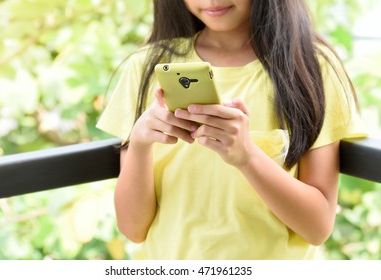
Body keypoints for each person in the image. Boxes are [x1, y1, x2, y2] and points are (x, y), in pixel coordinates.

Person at [97, 0, 367, 259]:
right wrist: (141, 144)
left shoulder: (312, 69)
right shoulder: (145, 68)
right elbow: (133, 229)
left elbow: (317, 227)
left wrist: (247, 156)